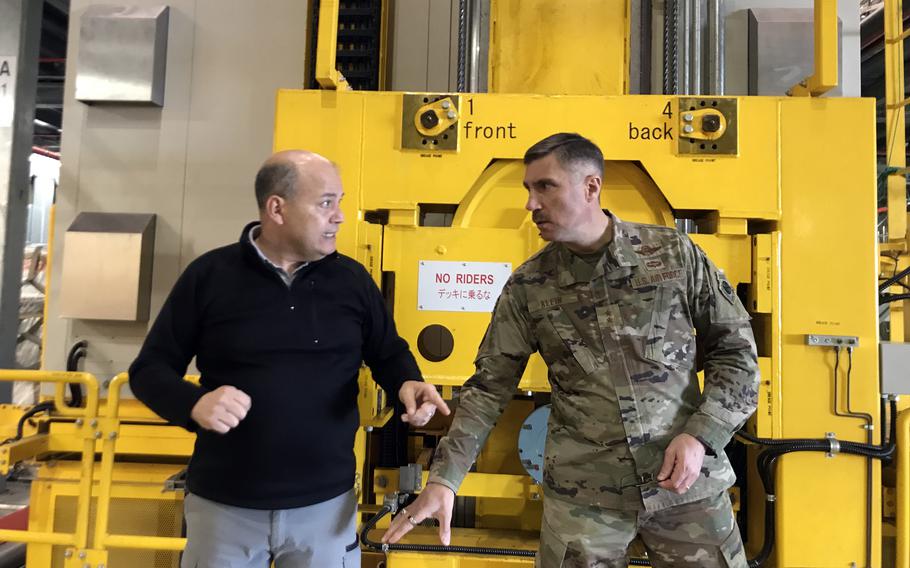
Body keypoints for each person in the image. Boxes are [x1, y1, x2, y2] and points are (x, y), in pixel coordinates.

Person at [382, 133, 758, 567]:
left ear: (591, 187)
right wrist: (444, 480)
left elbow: (736, 353)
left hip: (687, 487)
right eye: (527, 189)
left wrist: (702, 435)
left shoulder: (673, 255)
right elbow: (488, 390)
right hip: (585, 501)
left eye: (545, 186)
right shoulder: (528, 287)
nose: (530, 204)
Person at [129, 150, 449, 568]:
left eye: (340, 201)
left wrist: (407, 382)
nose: (340, 217)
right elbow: (148, 371)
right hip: (224, 510)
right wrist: (193, 404)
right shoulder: (209, 277)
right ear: (276, 208)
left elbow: (388, 351)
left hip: (325, 512)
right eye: (326, 203)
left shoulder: (351, 281)